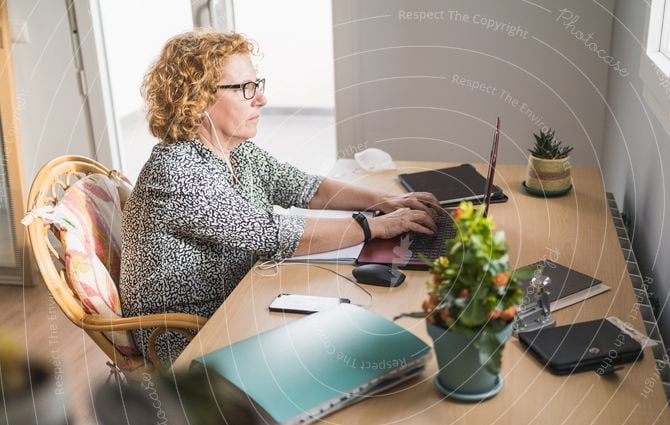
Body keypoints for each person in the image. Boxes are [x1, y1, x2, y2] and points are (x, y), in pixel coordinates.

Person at [120, 30, 438, 364]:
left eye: (257, 85)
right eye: (245, 89)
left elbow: (302, 185)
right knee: (347, 340)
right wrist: (373, 227)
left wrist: (383, 203)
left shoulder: (236, 150)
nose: (260, 99)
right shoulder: (176, 172)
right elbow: (271, 232)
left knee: (354, 318)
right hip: (193, 337)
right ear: (197, 100)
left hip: (244, 301)